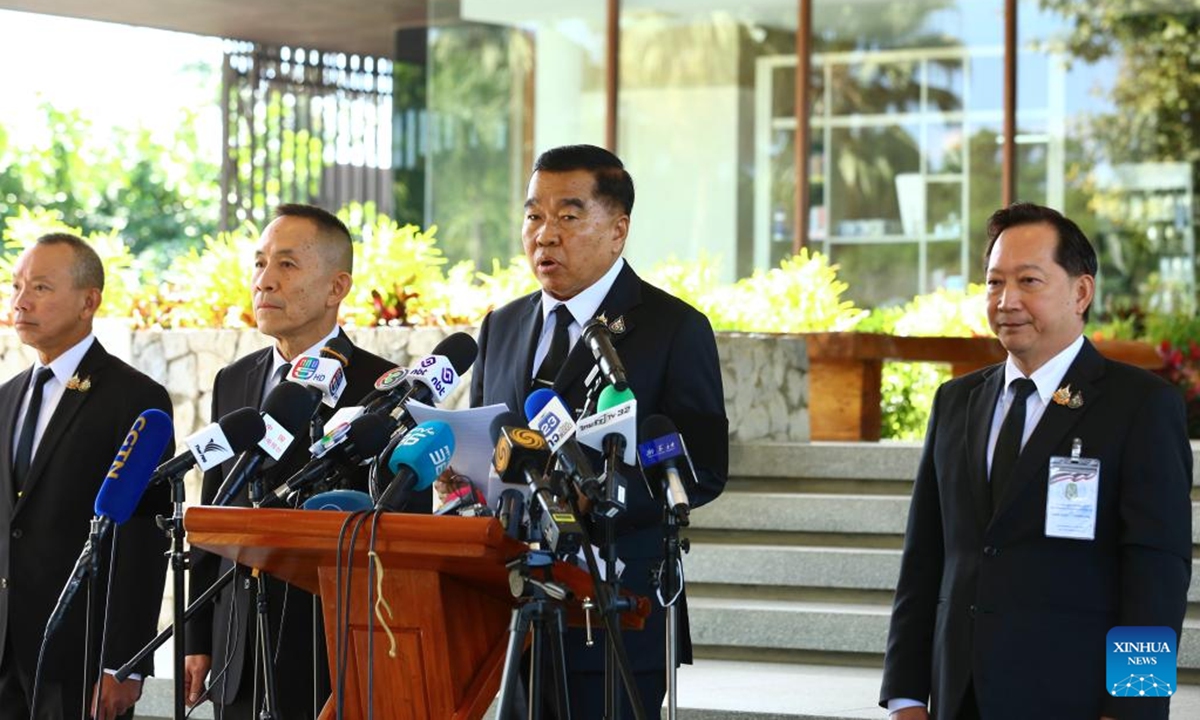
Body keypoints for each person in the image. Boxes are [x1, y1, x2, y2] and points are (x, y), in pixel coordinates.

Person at [880, 203, 1192, 719]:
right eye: (994, 283)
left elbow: (1157, 574)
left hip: (1074, 700)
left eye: (1028, 281)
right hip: (960, 698)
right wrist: (906, 697)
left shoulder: (1140, 405)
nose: (1007, 301)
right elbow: (925, 560)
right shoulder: (956, 402)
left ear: (1081, 292)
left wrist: (1133, 706)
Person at [471, 144, 729, 718]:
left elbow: (703, 470)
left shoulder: (673, 328)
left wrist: (603, 497)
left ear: (618, 230)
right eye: (533, 215)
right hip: (511, 614)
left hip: (615, 612)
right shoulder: (501, 326)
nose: (545, 235)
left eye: (568, 215)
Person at [183, 204, 401, 719]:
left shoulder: (382, 387)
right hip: (237, 649)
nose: (264, 281)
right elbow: (216, 508)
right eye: (259, 263)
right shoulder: (233, 380)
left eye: (286, 264)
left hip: (328, 649)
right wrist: (197, 635)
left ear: (336, 287)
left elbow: (394, 530)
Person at [0, 233, 172, 720]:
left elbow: (142, 536)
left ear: (88, 301)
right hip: (6, 651)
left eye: (40, 287)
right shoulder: (7, 397)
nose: (21, 301)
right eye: (16, 286)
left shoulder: (134, 397)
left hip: (81, 655)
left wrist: (124, 662)